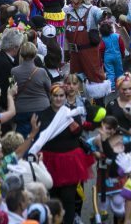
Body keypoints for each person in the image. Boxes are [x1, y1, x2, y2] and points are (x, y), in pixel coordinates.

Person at [37, 83, 95, 224]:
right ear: (50, 97)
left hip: (70, 159)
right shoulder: (44, 114)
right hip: (50, 160)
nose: (58, 99)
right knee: (53, 196)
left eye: (61, 96)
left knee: (68, 197)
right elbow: (41, 136)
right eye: (55, 96)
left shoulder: (72, 111)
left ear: (65, 96)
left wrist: (69, 120)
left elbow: (79, 132)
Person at [11, 42, 51, 138]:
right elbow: (50, 89)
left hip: (21, 109)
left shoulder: (13, 71)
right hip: (41, 109)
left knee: (23, 139)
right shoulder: (41, 71)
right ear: (35, 54)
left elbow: (12, 90)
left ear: (21, 54)